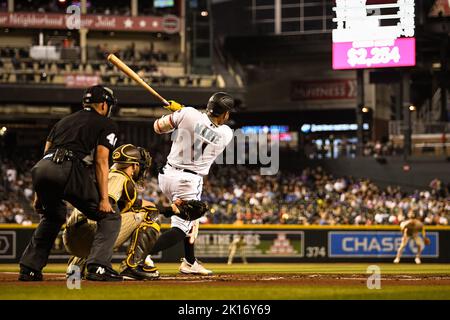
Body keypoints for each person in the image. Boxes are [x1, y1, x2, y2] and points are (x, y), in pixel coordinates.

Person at [19, 85, 122, 281]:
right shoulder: (106, 123)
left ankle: (29, 268)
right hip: (68, 167)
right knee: (110, 216)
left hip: (42, 169)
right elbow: (101, 161)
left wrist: (38, 195)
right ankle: (98, 266)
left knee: (53, 215)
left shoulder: (62, 122)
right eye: (109, 105)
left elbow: (46, 154)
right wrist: (104, 200)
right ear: (103, 104)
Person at [148, 92, 235, 275]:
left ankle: (189, 261)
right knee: (180, 228)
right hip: (188, 181)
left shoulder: (188, 113)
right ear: (224, 113)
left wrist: (177, 114)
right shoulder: (226, 134)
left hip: (167, 175)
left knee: (192, 221)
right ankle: (142, 254)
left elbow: (157, 127)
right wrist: (182, 111)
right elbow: (205, 127)